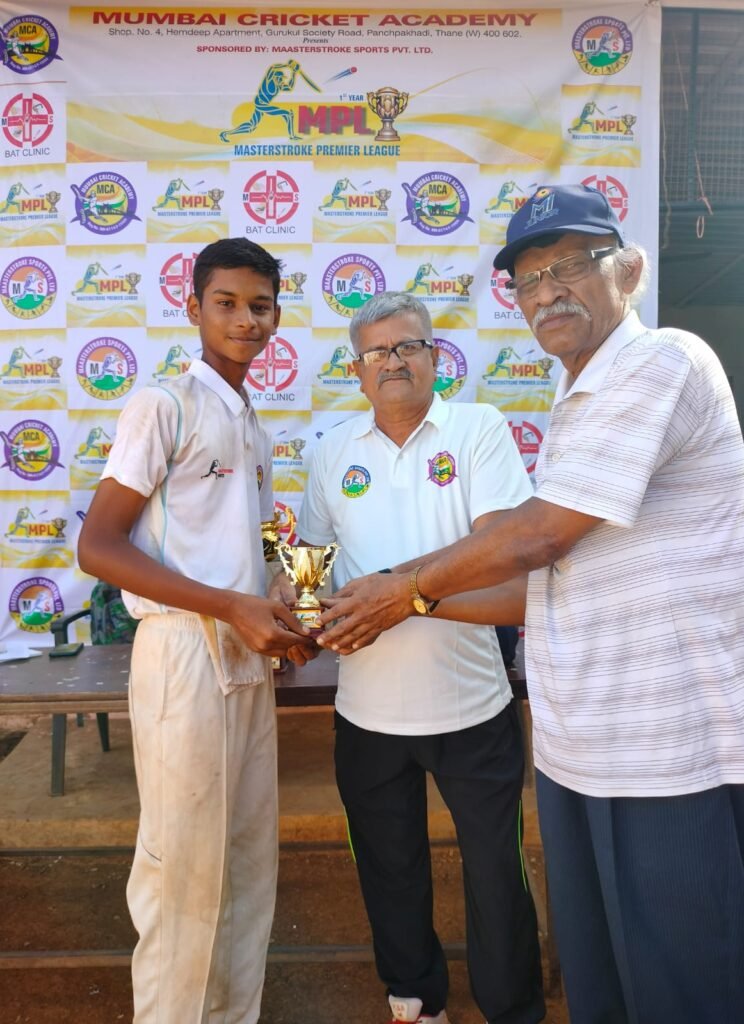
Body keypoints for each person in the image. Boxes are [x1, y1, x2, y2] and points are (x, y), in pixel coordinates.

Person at [315, 185, 744, 1024]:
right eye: (530, 278)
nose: (548, 291)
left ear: (630, 270)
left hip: (667, 747)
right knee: (604, 983)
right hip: (583, 744)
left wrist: (401, 592)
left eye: (572, 266)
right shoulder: (572, 395)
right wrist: (355, 605)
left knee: (681, 983)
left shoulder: (661, 361)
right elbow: (546, 566)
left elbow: (537, 540)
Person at [276, 291, 545, 1024]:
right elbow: (312, 562)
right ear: (356, 370)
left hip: (473, 708)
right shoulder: (330, 451)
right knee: (389, 872)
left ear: (435, 357)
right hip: (366, 714)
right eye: (377, 351)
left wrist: (404, 597)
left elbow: (507, 570)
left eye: (408, 346)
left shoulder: (479, 429)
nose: (393, 360)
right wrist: (294, 598)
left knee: (497, 876)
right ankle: (416, 1003)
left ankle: (511, 1009)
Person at [77, 237, 313, 1024]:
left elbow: (249, 547)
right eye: (227, 303)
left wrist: (277, 598)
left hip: (245, 652)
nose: (246, 320)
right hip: (182, 650)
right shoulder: (164, 404)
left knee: (244, 861)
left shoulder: (252, 424)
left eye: (261, 306)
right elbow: (98, 546)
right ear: (193, 308)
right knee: (180, 868)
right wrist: (228, 606)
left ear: (277, 315)